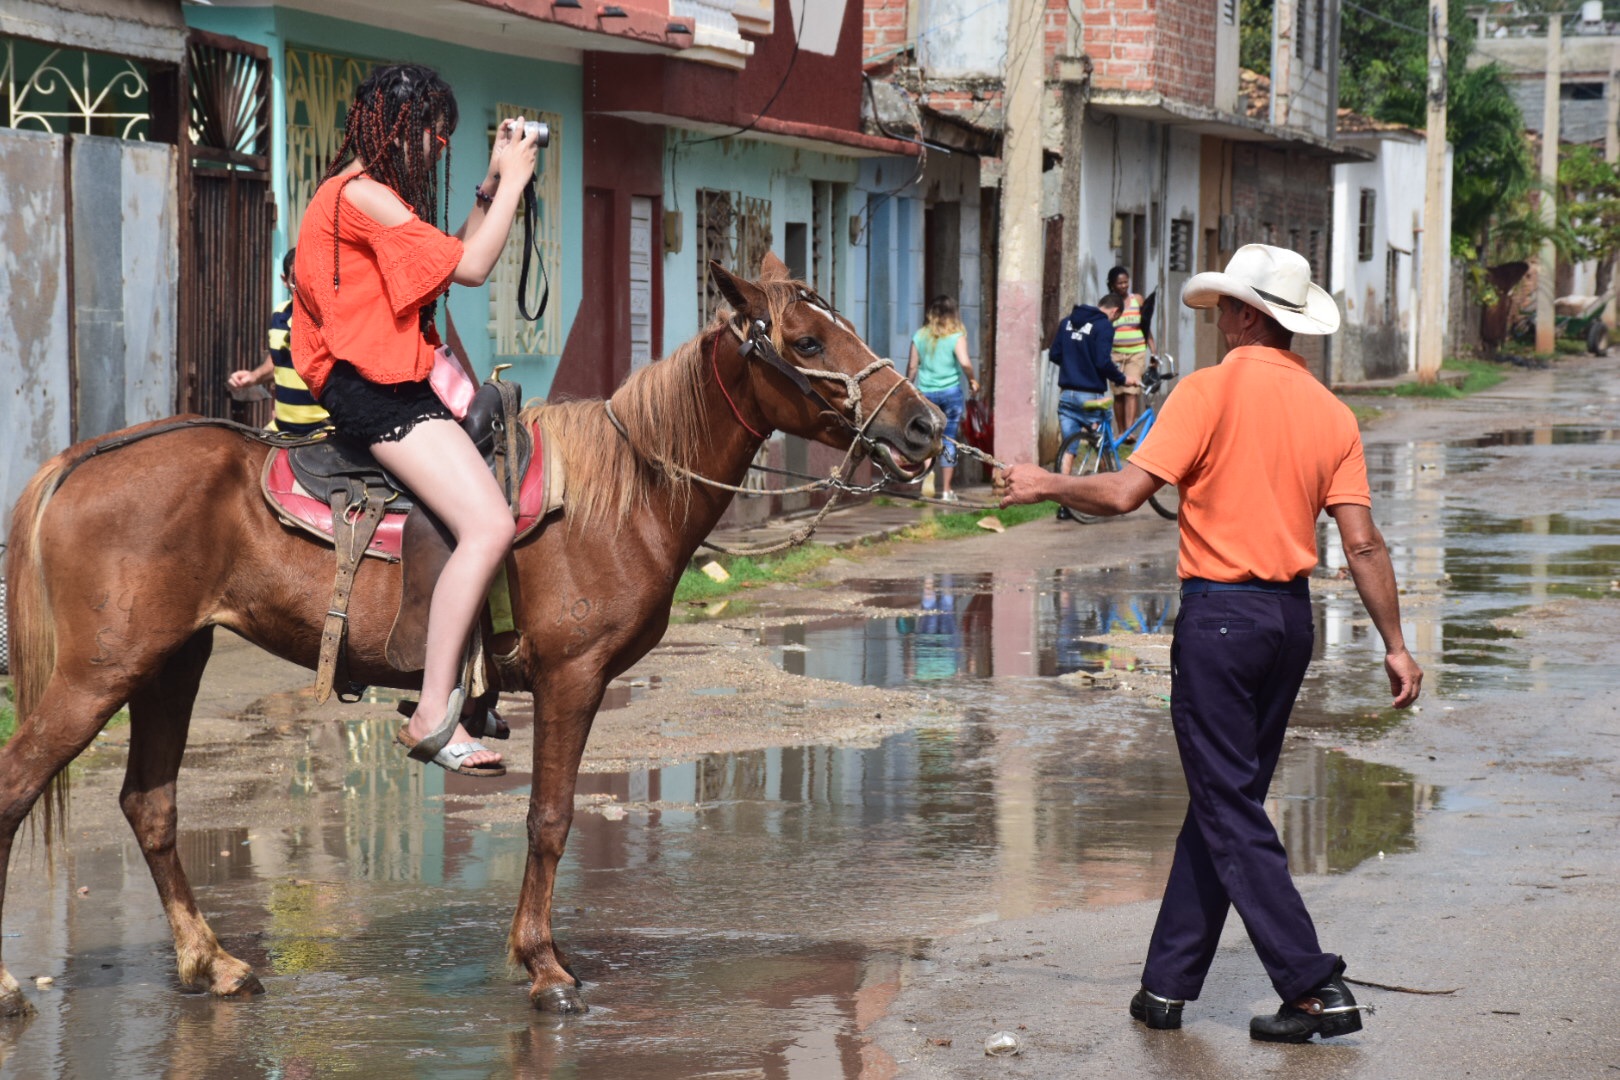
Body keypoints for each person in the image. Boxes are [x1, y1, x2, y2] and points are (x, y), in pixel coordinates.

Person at [998, 244, 1423, 1042]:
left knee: (1228, 804)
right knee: (1226, 801)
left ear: (1251, 318)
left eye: (1227, 307)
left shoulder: (1206, 392)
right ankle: (1166, 987)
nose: (1217, 319)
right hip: (1288, 626)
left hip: (1221, 622)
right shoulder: (1333, 414)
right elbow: (1363, 545)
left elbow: (1126, 493)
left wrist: (1043, 482)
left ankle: (1313, 985)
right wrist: (1395, 644)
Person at [292, 63, 542, 778]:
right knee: (491, 522)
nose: (439, 147)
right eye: (435, 134)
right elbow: (471, 269)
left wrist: (491, 186)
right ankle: (435, 711)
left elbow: (444, 260)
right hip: (375, 390)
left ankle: (476, 684)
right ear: (401, 128)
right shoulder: (364, 197)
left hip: (392, 380)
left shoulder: (360, 195)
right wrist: (519, 181)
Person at [1047, 293, 1139, 520]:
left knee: (1069, 449)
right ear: (1115, 312)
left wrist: (1074, 364)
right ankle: (1108, 498)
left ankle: (1063, 505)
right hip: (1091, 396)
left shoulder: (1067, 321)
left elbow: (1055, 354)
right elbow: (1102, 362)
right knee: (1104, 445)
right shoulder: (1104, 327)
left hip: (1067, 395)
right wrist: (1122, 379)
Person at [228, 248, 330, 437]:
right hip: (280, 429)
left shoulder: (331, 320)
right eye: (296, 279)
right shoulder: (279, 313)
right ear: (285, 281)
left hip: (325, 432)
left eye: (310, 278)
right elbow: (278, 360)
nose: (304, 287)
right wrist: (253, 377)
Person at [906, 295, 979, 502]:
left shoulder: (919, 335)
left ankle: (924, 484)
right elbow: (965, 363)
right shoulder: (957, 335)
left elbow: (912, 367)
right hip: (950, 393)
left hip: (926, 395)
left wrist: (907, 387)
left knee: (926, 438)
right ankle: (946, 491)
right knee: (948, 440)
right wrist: (972, 380)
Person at [1106, 266, 1156, 440]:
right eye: (1119, 283)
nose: (1123, 286)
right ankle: (1121, 432)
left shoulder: (1137, 300)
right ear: (1112, 285)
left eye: (1126, 282)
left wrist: (1153, 351)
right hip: (1115, 354)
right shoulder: (1109, 304)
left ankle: (1129, 430)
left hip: (1136, 353)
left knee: (1132, 390)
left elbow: (1145, 326)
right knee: (1118, 393)